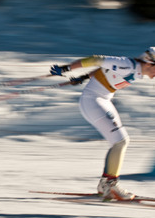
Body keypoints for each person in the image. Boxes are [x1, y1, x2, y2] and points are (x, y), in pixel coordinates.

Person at [50, 47, 155, 200]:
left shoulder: (136, 70)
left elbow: (104, 69)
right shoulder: (127, 64)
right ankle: (109, 185)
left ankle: (106, 185)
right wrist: (66, 68)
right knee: (120, 141)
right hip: (93, 100)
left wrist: (84, 77)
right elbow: (96, 59)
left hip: (102, 100)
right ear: (149, 63)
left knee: (120, 142)